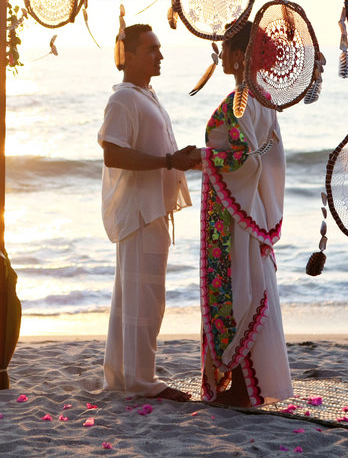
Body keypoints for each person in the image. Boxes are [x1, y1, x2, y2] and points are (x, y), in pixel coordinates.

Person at [98, 23, 200, 402]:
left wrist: (182, 161)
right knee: (145, 299)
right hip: (140, 212)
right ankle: (141, 382)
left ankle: (123, 377)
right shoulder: (123, 100)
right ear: (128, 56)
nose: (160, 56)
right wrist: (169, 160)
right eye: (151, 50)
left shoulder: (145, 95)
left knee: (135, 297)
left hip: (152, 210)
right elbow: (113, 152)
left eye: (159, 49)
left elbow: (159, 151)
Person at [199, 20, 294, 407]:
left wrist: (201, 157)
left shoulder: (245, 98)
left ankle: (241, 387)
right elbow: (265, 159)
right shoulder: (261, 97)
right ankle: (244, 384)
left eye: (225, 49)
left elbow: (245, 158)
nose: (221, 55)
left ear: (240, 56)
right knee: (247, 286)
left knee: (239, 289)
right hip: (247, 209)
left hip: (238, 215)